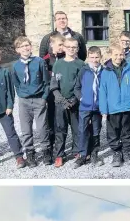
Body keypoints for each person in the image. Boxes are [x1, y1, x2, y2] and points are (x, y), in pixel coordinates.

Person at [99, 44, 130, 167]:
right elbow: (103, 91)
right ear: (111, 55)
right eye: (116, 54)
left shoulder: (129, 68)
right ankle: (117, 153)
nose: (119, 57)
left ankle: (128, 152)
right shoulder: (105, 71)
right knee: (113, 133)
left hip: (127, 106)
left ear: (124, 55)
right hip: (113, 109)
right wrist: (103, 109)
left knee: (127, 131)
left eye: (121, 54)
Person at [12, 36, 51, 166]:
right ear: (18, 50)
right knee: (26, 129)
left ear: (31, 47)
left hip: (39, 99)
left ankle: (46, 150)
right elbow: (16, 84)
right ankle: (30, 152)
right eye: (22, 46)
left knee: (42, 128)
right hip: (24, 101)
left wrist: (44, 97)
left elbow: (46, 81)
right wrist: (21, 95)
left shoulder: (39, 61)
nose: (25, 48)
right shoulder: (15, 66)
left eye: (27, 45)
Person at [50, 36, 83, 166]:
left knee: (76, 128)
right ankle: (59, 154)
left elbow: (82, 85)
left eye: (74, 47)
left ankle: (77, 150)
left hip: (75, 102)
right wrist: (62, 100)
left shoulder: (81, 64)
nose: (71, 49)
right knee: (60, 128)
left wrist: (75, 100)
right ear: (63, 48)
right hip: (60, 103)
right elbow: (54, 85)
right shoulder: (58, 64)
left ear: (77, 49)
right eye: (68, 47)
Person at [74, 46, 104, 167]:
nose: (94, 60)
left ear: (101, 57)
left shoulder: (104, 71)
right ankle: (82, 155)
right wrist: (82, 98)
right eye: (92, 57)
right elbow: (77, 87)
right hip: (85, 106)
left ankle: (94, 154)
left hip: (98, 107)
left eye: (97, 57)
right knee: (82, 129)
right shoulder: (84, 70)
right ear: (88, 57)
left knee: (96, 130)